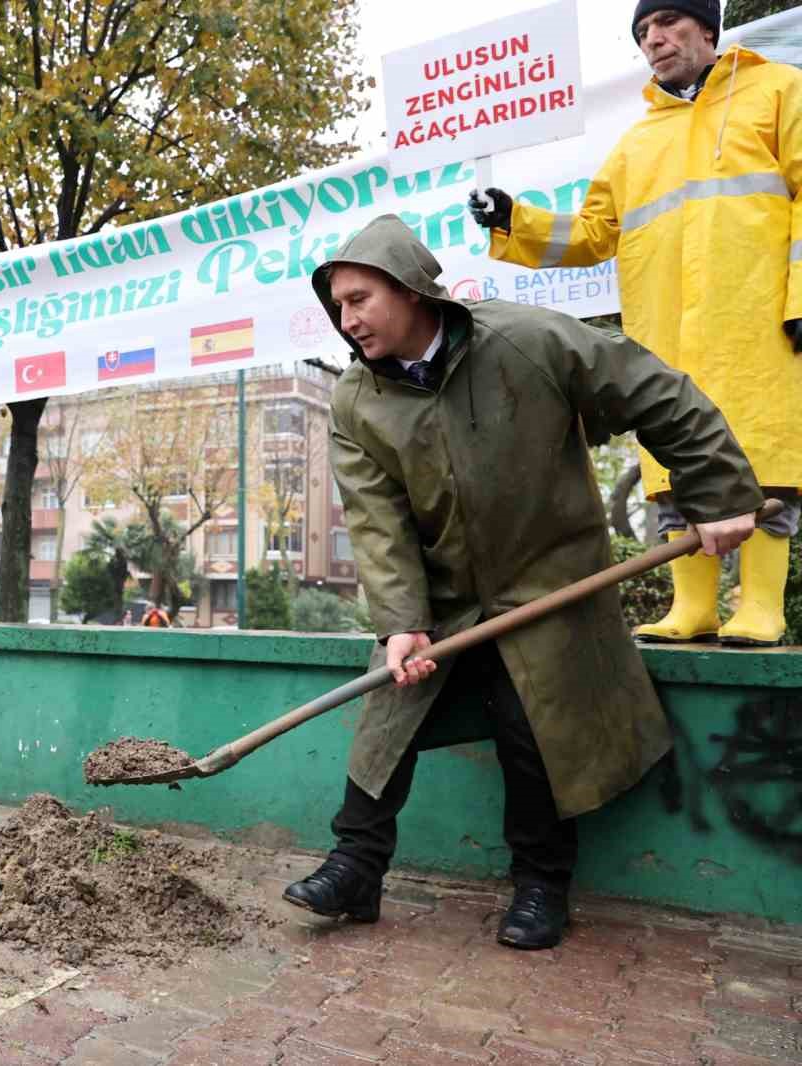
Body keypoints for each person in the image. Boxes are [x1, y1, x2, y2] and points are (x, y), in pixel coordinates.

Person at [283, 215, 761, 950]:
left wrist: (719, 493)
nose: (347, 321)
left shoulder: (527, 341)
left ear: (411, 290)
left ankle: (542, 883)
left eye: (359, 300)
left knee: (529, 720)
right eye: (338, 307)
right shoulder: (357, 401)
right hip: (445, 598)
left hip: (550, 580)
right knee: (387, 704)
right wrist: (401, 621)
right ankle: (355, 867)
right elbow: (377, 522)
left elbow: (656, 392)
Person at [469, 0, 802, 646]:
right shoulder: (637, 143)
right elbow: (593, 235)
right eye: (644, 31)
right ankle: (694, 606)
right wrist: (514, 219)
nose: (655, 38)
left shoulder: (781, 92)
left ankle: (762, 606)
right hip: (666, 336)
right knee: (676, 470)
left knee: (765, 466)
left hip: (756, 325)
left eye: (670, 22)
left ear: (708, 29)